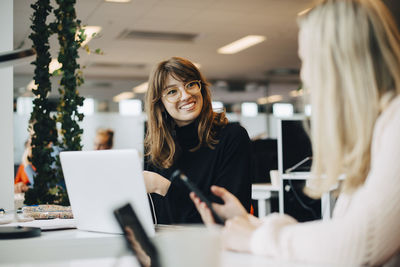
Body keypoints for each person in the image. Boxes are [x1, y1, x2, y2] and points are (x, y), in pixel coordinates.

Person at [190, 0, 400, 265]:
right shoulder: (377, 128)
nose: (305, 74)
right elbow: (343, 233)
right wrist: (251, 225)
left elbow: (358, 245)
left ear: (338, 60)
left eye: (306, 60)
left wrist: (256, 239)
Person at [143, 57, 252, 224]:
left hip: (214, 244)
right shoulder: (156, 148)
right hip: (166, 245)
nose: (186, 95)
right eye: (172, 91)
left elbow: (228, 216)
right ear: (160, 103)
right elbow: (153, 217)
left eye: (190, 84)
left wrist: (164, 187)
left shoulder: (232, 137)